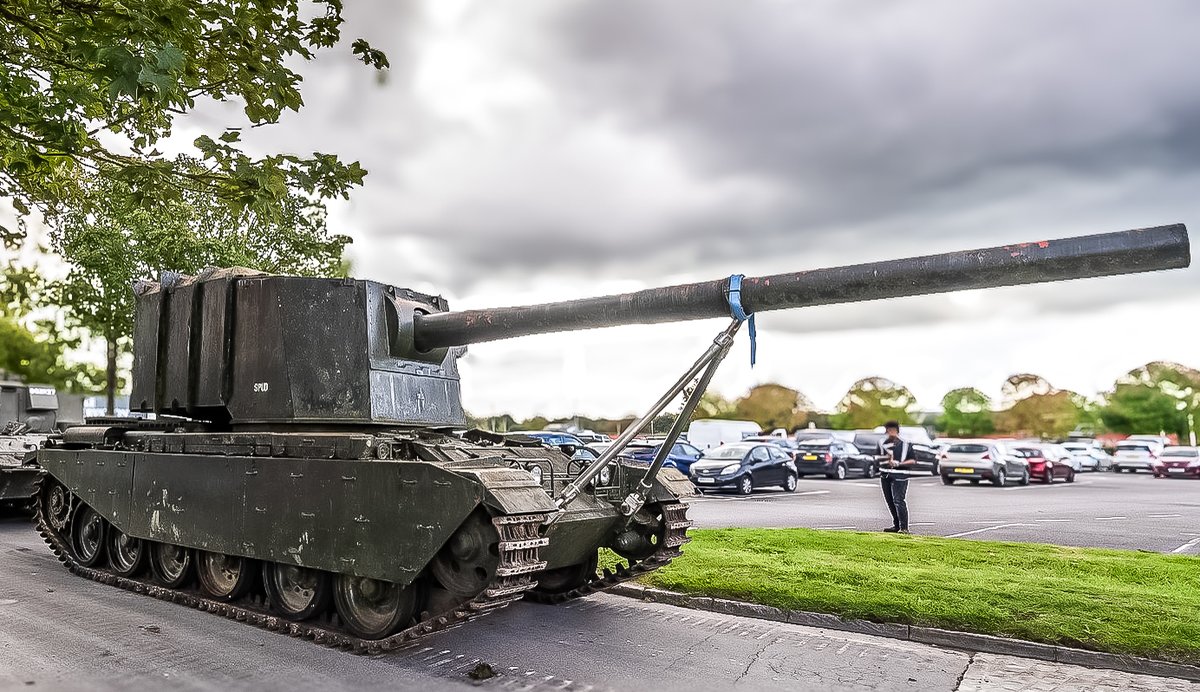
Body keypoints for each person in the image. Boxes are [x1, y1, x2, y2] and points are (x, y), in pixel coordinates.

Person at [877, 420, 918, 533]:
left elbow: (913, 460)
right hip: (885, 475)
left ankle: (904, 528)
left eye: (893, 430)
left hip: (901, 475)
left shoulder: (906, 444)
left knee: (898, 500)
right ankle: (896, 525)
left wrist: (899, 463)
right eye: (888, 430)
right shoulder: (882, 443)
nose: (891, 433)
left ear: (897, 431)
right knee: (890, 500)